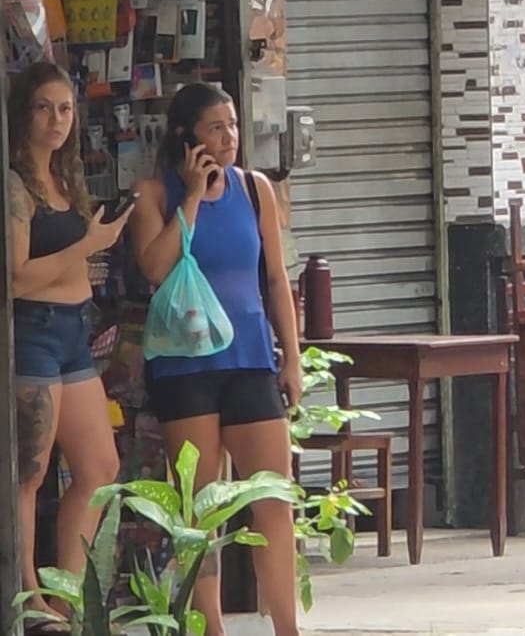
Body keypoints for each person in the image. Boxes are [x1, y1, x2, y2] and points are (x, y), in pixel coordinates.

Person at [127, 83, 303, 636]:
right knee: (200, 511)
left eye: (232, 126)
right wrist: (194, 200)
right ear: (186, 136)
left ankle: (287, 627)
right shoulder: (153, 194)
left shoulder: (256, 190)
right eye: (216, 128)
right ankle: (212, 628)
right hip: (185, 367)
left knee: (272, 498)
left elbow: (275, 280)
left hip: (249, 359)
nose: (229, 137)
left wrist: (292, 358)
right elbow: (156, 269)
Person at [5, 62, 126, 634]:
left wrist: (91, 250)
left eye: (66, 109)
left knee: (100, 466)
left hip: (76, 329)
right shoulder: (15, 183)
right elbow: (16, 278)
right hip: (33, 331)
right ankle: (28, 597)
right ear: (24, 113)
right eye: (44, 108)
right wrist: (91, 245)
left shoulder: (65, 177)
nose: (57, 120)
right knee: (29, 473)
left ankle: (65, 594)